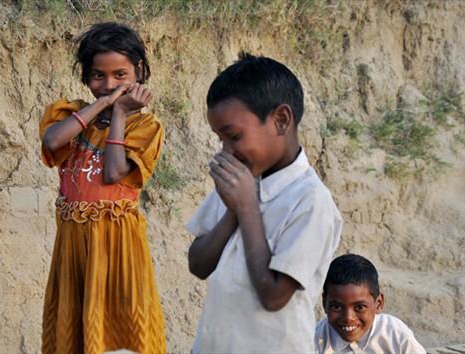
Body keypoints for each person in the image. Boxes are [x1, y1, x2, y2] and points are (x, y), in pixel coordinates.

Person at [186, 52, 343, 353]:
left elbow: (273, 296)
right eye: (221, 140)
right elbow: (198, 265)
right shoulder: (240, 183)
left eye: (234, 136)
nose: (227, 151)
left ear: (281, 120)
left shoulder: (311, 201)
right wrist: (233, 210)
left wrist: (247, 207)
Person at [39, 22, 166, 354]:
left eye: (120, 75)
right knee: (72, 330)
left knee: (122, 331)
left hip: (117, 244)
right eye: (98, 76)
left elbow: (113, 173)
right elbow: (52, 141)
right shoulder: (67, 115)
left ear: (139, 71)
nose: (109, 84)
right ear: (85, 77)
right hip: (73, 244)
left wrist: (120, 113)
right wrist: (101, 104)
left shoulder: (145, 126)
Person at [315, 253, 426, 353]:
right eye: (336, 307)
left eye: (359, 307)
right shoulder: (314, 340)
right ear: (324, 303)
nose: (348, 318)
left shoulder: (396, 335)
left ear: (378, 303)